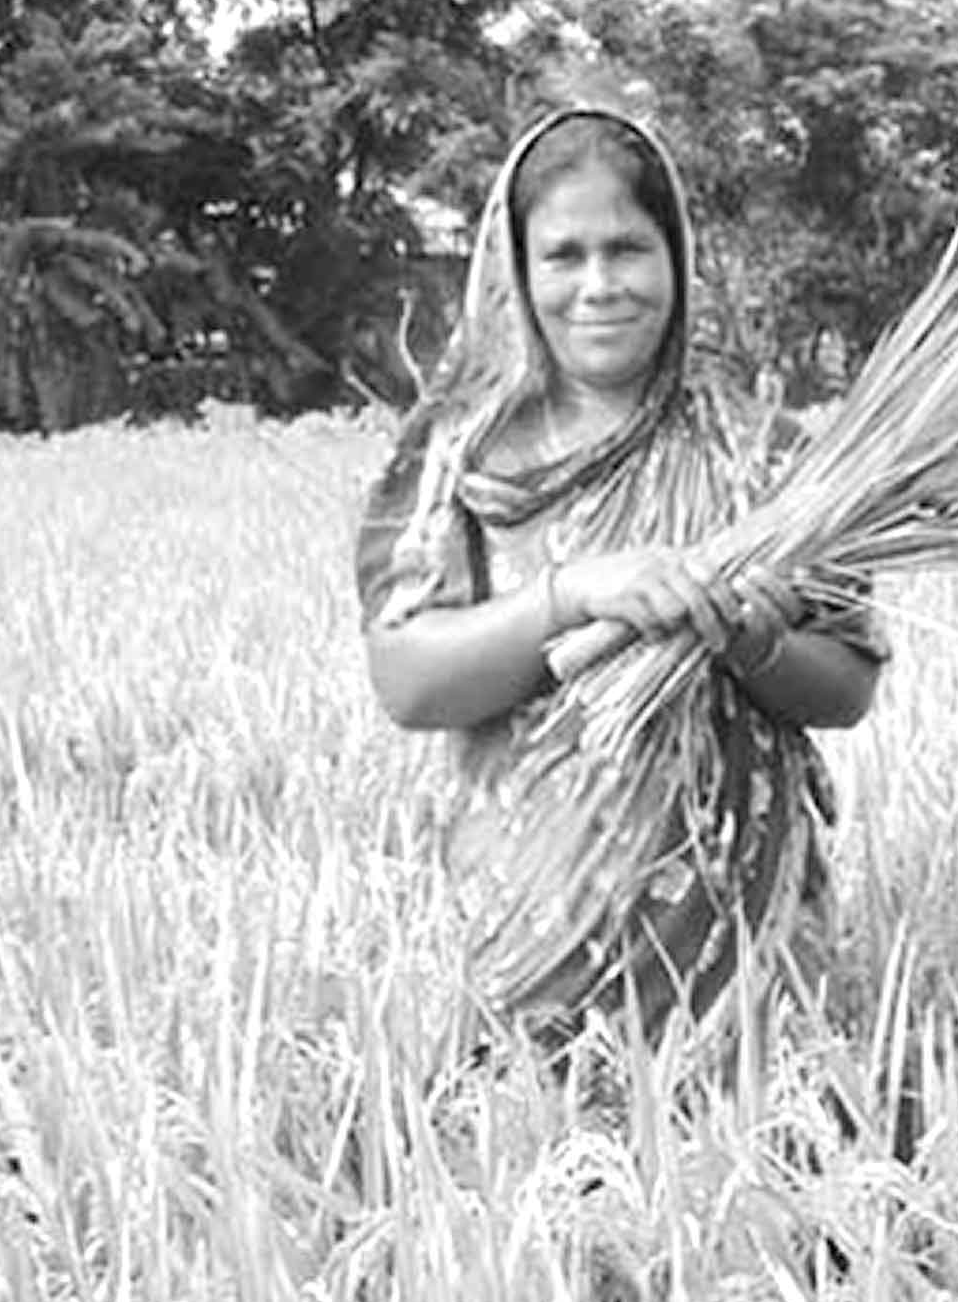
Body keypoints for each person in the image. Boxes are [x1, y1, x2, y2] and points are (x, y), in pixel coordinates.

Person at [354, 108, 885, 1053]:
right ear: (517, 271)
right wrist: (571, 594)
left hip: (742, 924)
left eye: (628, 249)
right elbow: (408, 678)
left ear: (678, 258)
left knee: (754, 1169)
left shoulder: (765, 455)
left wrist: (752, 642)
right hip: (530, 916)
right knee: (530, 1163)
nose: (598, 286)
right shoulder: (462, 452)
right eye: (563, 256)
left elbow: (845, 687)